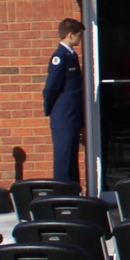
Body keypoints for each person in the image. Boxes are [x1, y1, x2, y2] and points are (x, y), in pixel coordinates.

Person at [42, 18, 85, 186]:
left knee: (71, 160)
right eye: (79, 35)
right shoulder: (60, 56)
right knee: (63, 160)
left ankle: (73, 194)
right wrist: (51, 109)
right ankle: (62, 196)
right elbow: (52, 87)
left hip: (72, 116)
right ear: (70, 34)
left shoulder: (71, 55)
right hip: (63, 116)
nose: (80, 39)